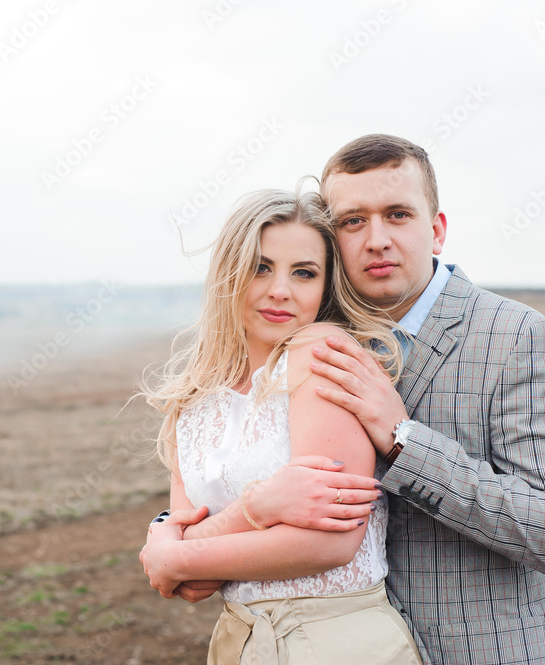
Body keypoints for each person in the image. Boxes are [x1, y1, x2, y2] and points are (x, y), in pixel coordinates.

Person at [145, 135, 545, 665]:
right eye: (353, 221)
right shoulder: (305, 335)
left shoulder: (519, 337)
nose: (377, 239)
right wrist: (177, 530)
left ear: (436, 230)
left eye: (398, 214)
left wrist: (405, 442)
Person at [138, 186, 423, 664]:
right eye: (261, 267)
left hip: (340, 644)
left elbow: (332, 542)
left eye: (304, 273)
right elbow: (193, 581)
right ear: (229, 272)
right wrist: (257, 508)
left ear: (326, 286)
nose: (280, 290)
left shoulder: (319, 351)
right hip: (241, 644)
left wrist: (174, 553)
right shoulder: (191, 400)